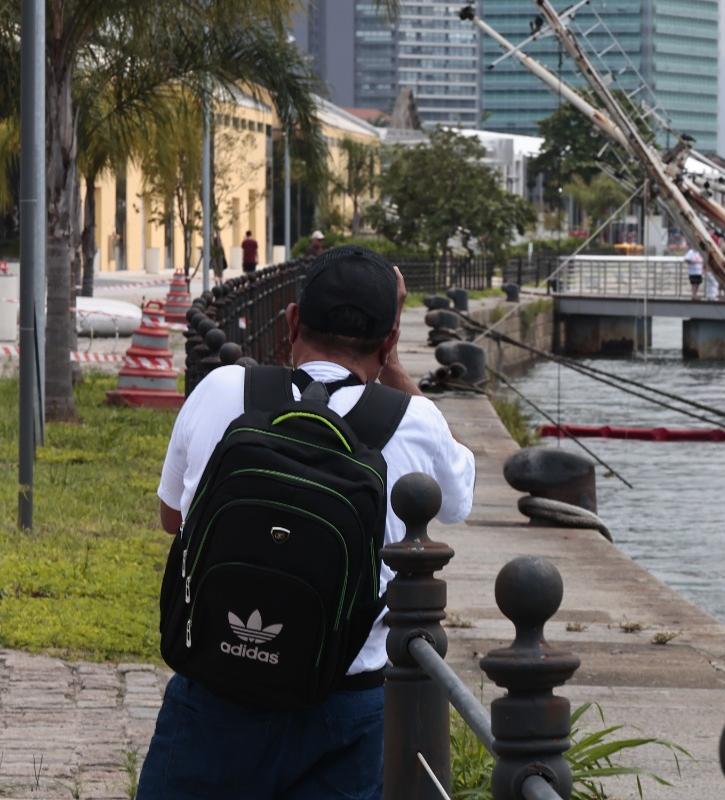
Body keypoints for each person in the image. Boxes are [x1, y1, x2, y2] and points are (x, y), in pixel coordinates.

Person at [138, 246, 476, 799]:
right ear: (389, 341)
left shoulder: (223, 389)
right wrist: (393, 370)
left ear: (292, 319)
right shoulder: (415, 422)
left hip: (216, 690)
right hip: (344, 705)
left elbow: (172, 517)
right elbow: (460, 498)